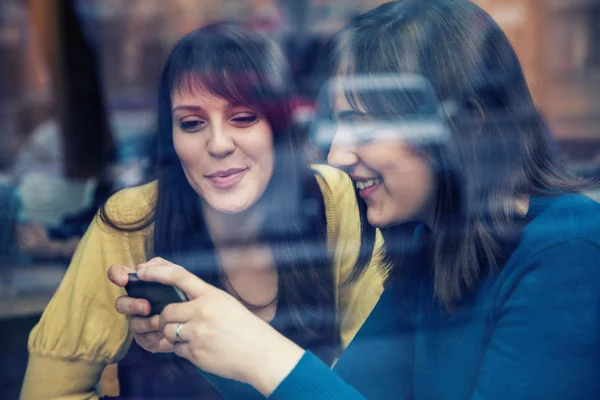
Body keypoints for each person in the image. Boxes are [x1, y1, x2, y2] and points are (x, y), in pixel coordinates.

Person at [125, 1, 600, 399]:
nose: (337, 154)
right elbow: (343, 393)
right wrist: (201, 335)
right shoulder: (431, 244)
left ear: (467, 123)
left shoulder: (569, 251)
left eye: (364, 124)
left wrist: (261, 353)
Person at [20, 22, 386, 399]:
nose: (218, 144)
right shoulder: (133, 219)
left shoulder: (332, 196)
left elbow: (377, 378)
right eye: (192, 123)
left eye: (243, 117)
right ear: (171, 138)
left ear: (279, 127)